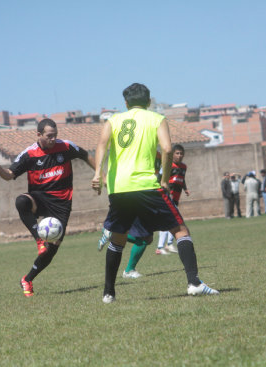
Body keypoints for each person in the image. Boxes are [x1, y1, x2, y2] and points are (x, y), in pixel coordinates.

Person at [91, 82, 219, 303]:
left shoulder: (112, 121)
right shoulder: (157, 119)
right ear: (149, 101)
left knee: (118, 238)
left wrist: (96, 174)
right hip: (147, 186)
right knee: (180, 229)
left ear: (125, 103)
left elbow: (101, 145)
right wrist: (165, 179)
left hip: (119, 189)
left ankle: (108, 293)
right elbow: (168, 149)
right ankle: (194, 283)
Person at [0, 118, 96, 296]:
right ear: (39, 135)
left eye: (55, 136)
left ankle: (27, 279)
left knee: (51, 251)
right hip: (39, 198)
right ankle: (39, 240)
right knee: (21, 201)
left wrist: (99, 174)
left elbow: (87, 156)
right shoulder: (29, 154)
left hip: (62, 203)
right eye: (49, 136)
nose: (53, 139)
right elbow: (9, 175)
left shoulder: (66, 147)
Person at [156, 144, 190, 255]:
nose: (180, 155)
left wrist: (185, 189)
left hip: (176, 197)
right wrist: (165, 191)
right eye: (177, 153)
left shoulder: (183, 167)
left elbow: (182, 179)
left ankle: (168, 244)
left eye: (181, 153)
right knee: (171, 221)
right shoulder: (168, 166)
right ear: (172, 154)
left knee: (173, 222)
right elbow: (160, 179)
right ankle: (161, 247)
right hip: (166, 197)